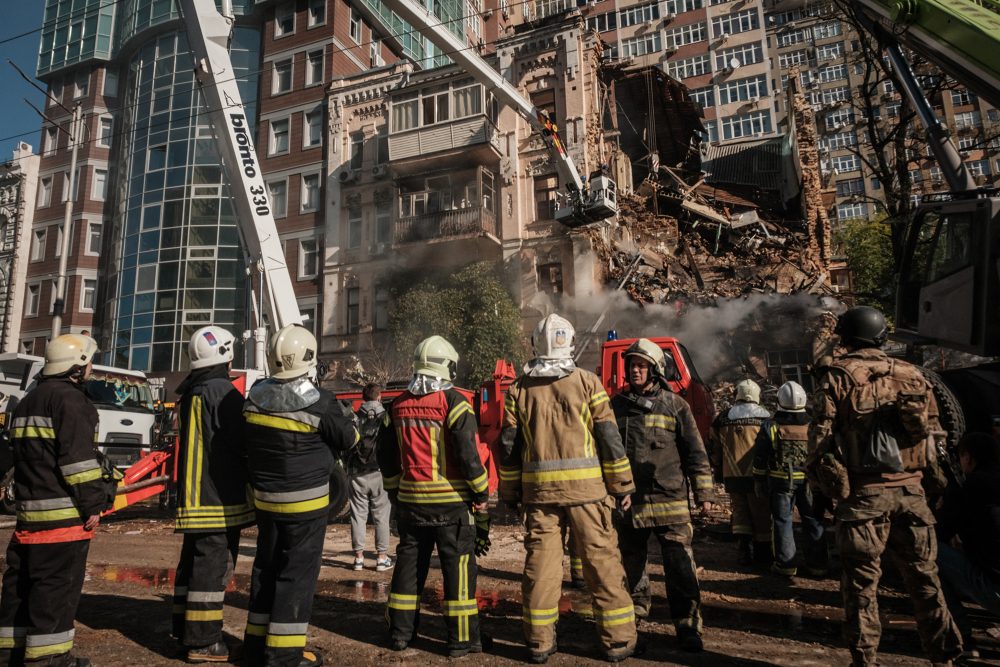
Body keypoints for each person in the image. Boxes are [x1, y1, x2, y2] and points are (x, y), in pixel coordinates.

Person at [808, 305, 962, 667]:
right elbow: (937, 441)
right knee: (926, 581)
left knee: (861, 588)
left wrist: (827, 489)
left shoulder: (838, 376)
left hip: (864, 498)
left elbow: (819, 442)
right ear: (880, 336)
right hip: (912, 496)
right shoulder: (914, 375)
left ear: (846, 338)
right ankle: (944, 656)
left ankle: (865, 660)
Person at [500, 314, 637, 664]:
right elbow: (609, 439)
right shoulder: (588, 383)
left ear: (535, 344)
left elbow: (510, 449)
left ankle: (539, 642)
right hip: (589, 495)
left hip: (539, 497)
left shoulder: (518, 389)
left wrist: (510, 494)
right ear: (571, 343)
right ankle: (618, 641)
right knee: (601, 565)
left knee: (542, 570)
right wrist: (622, 485)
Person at [241, 325, 358, 667]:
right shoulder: (320, 402)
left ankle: (255, 647)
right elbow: (349, 439)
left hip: (265, 502)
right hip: (306, 507)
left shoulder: (253, 399)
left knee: (265, 569)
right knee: (296, 577)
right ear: (308, 359)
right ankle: (285, 655)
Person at [0, 334, 111, 667]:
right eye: (88, 362)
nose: (91, 367)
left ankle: (10, 653)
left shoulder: (27, 402)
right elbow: (79, 464)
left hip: (29, 518)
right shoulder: (73, 403)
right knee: (55, 595)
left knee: (19, 591)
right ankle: (49, 660)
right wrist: (94, 505)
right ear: (77, 368)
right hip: (64, 522)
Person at [379, 336, 489, 658]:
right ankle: (461, 641)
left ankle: (399, 634)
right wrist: (481, 494)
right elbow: (469, 457)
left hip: (412, 506)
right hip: (452, 507)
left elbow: (385, 456)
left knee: (409, 569)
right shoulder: (455, 403)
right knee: (458, 574)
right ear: (447, 366)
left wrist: (395, 489)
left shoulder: (396, 405)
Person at [611, 339, 714, 652]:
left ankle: (687, 625)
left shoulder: (676, 406)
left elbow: (695, 452)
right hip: (630, 500)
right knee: (631, 561)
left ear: (655, 369)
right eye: (632, 365)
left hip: (668, 498)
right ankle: (637, 609)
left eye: (641, 365)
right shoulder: (616, 406)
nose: (635, 370)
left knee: (680, 565)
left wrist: (703, 492)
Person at [172, 326, 255, 662]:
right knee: (211, 568)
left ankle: (185, 629)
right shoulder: (225, 394)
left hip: (193, 497)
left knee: (191, 565)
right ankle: (203, 641)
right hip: (216, 499)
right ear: (224, 355)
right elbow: (242, 444)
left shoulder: (191, 391)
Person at [752, 381, 826, 577]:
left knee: (782, 521)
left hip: (780, 481)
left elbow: (760, 456)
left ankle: (785, 565)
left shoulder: (771, 425)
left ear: (779, 401)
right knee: (814, 521)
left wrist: (758, 480)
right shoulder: (813, 424)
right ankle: (817, 564)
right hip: (811, 481)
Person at [936, 432, 1000, 658]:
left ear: (969, 458)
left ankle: (961, 639)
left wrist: (950, 497)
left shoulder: (974, 485)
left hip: (995, 590)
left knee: (931, 554)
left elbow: (941, 531)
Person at [711, 379, 772, 566]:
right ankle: (763, 555)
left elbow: (715, 447)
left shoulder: (723, 417)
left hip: (732, 474)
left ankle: (743, 551)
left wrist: (718, 469)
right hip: (758, 475)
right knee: (761, 513)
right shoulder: (767, 417)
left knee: (740, 512)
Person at [348, 383, 392, 572]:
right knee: (381, 516)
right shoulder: (386, 417)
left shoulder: (354, 417)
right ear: (380, 396)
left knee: (358, 515)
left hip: (357, 472)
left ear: (363, 398)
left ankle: (358, 558)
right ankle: (381, 558)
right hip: (379, 472)